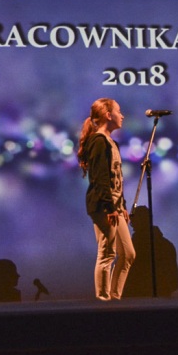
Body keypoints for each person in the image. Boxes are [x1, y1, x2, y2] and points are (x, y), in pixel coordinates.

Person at [77, 98, 136, 301]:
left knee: (128, 254)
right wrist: (110, 208)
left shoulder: (112, 143)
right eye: (119, 111)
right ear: (108, 115)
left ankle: (115, 296)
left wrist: (122, 205)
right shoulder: (99, 142)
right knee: (107, 254)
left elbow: (116, 179)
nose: (122, 116)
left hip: (115, 206)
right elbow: (100, 178)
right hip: (104, 206)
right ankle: (103, 299)